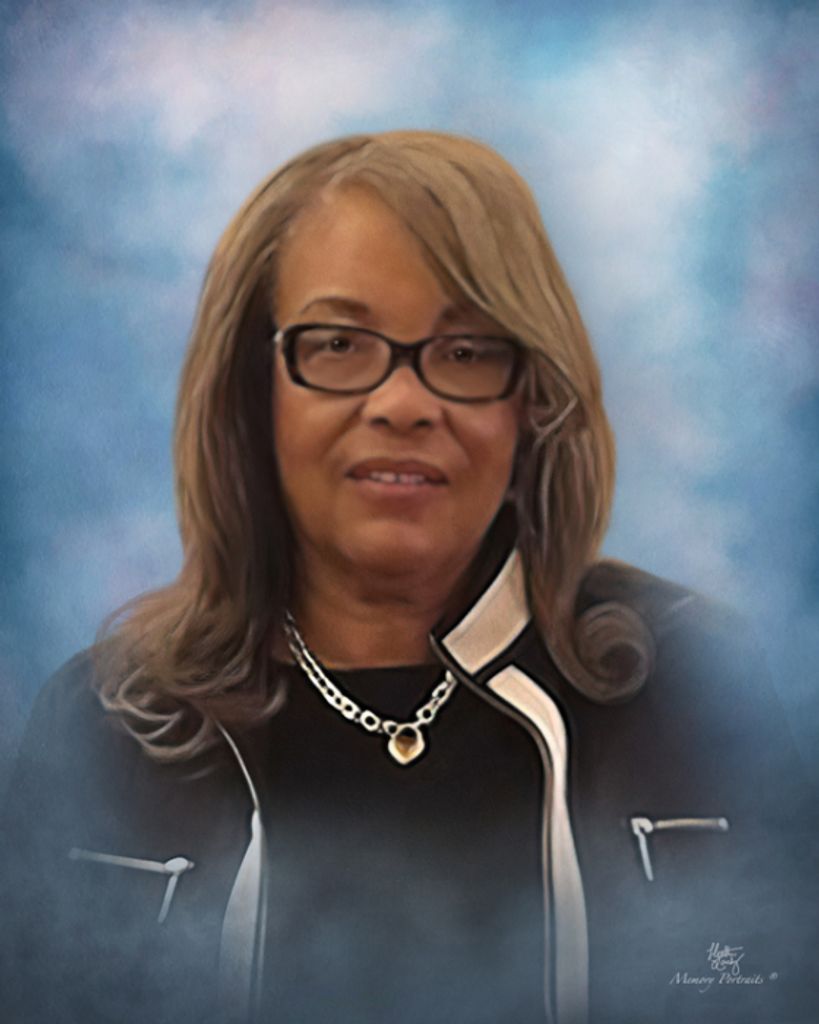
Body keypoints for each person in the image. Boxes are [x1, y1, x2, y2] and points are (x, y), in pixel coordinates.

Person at [1, 131, 815, 1024]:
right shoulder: (105, 728)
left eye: (465, 352)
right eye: (338, 343)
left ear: (532, 400)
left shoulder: (693, 689)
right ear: (250, 392)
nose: (401, 403)